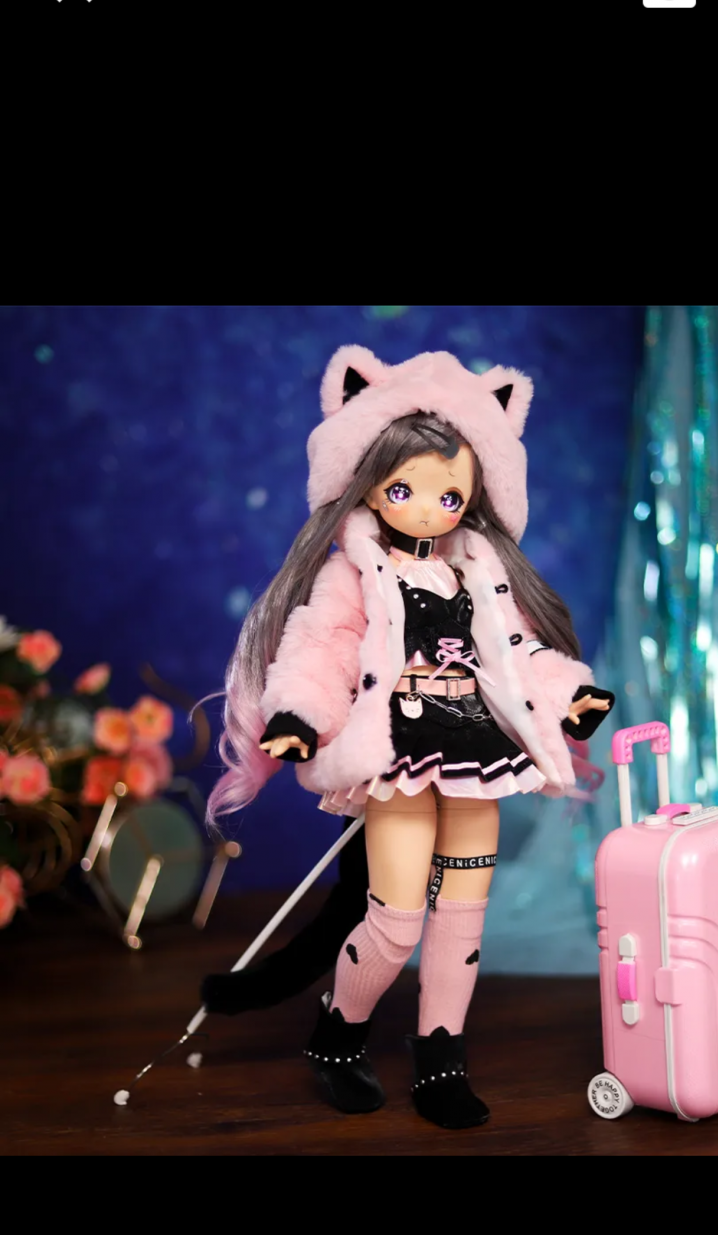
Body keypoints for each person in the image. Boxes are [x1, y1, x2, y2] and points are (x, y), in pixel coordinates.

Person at [200, 345, 614, 1128]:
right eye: (403, 489)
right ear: (367, 484)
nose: (428, 509)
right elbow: (321, 648)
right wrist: (296, 716)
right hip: (398, 755)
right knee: (394, 919)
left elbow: (518, 655)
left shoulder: (480, 570)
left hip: (477, 751)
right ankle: (339, 1033)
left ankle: (441, 1054)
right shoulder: (352, 571)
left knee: (462, 918)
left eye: (449, 494)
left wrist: (570, 695)